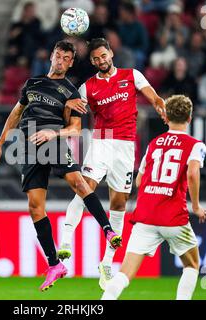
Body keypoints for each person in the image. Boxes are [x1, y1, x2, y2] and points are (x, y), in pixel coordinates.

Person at [0, 40, 122, 292]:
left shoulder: (71, 93)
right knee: (35, 207)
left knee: (78, 183)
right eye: (57, 56)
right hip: (28, 144)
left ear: (71, 62)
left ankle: (107, 230)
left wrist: (53, 133)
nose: (60, 61)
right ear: (51, 56)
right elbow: (16, 114)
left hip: (51, 140)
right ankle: (54, 264)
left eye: (65, 58)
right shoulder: (32, 83)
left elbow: (75, 128)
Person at [58, 37, 166, 290]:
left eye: (103, 56)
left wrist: (161, 105)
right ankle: (65, 242)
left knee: (119, 203)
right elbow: (72, 113)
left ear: (111, 54)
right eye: (95, 59)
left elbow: (154, 97)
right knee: (86, 188)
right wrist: (66, 109)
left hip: (127, 146)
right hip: (102, 141)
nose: (100, 61)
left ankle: (106, 262)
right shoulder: (88, 87)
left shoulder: (132, 75)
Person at [101, 94, 206, 300]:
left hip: (145, 216)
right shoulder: (196, 145)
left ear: (166, 118)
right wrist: (195, 205)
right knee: (192, 265)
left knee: (125, 272)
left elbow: (140, 181)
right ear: (190, 118)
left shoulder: (154, 143)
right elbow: (193, 173)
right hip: (173, 216)